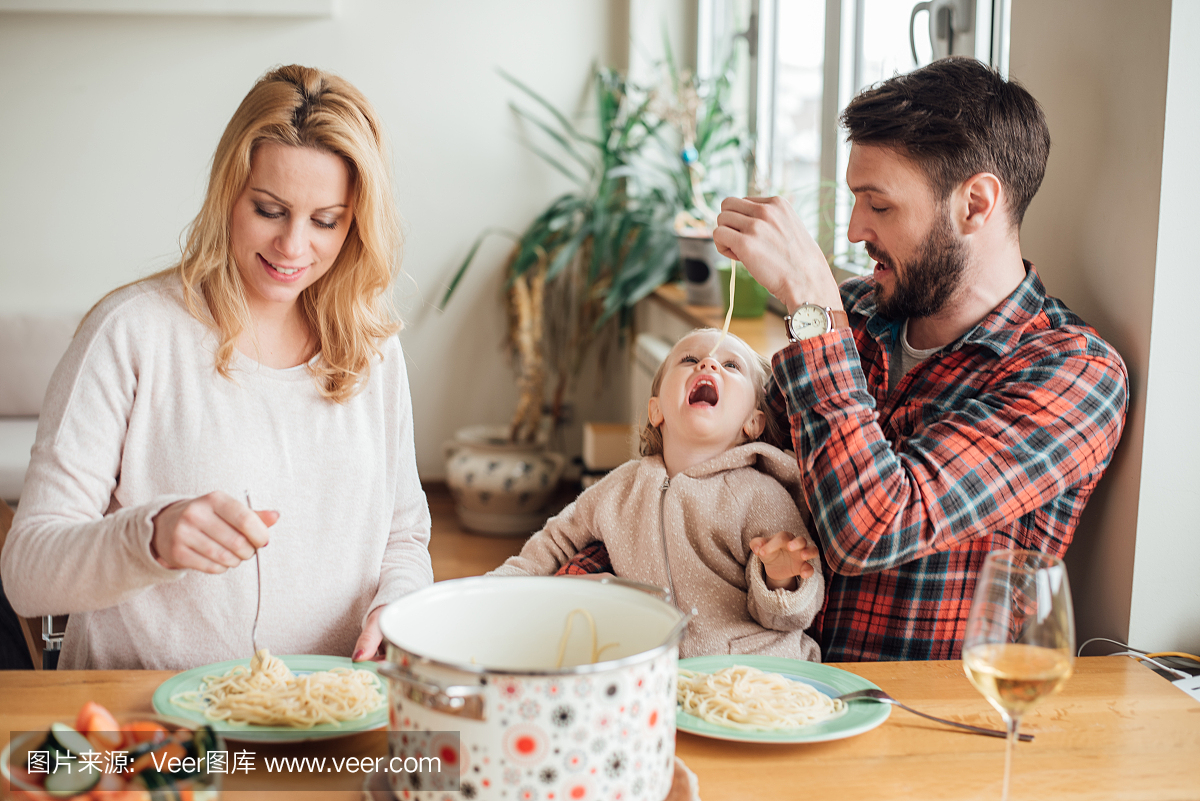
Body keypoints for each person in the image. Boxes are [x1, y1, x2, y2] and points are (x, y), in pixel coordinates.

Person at [0, 65, 432, 670]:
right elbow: (27, 574)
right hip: (144, 714)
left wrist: (399, 606)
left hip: (330, 711)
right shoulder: (131, 332)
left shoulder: (372, 350)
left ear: (356, 223)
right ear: (228, 192)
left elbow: (403, 537)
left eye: (325, 221)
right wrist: (150, 538)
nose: (293, 246)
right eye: (269, 209)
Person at [709, 56, 1129, 661]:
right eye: (856, 202)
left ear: (975, 204)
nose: (855, 231)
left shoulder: (1072, 373)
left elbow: (869, 529)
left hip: (912, 714)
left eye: (879, 206)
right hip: (763, 683)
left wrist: (812, 304)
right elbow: (717, 470)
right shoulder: (854, 312)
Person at [491, 328, 824, 661]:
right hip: (658, 672)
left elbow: (793, 616)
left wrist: (780, 579)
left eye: (731, 365)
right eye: (689, 359)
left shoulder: (761, 494)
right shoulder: (621, 487)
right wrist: (497, 589)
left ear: (753, 422)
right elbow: (555, 540)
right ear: (656, 411)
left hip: (757, 673)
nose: (708, 364)